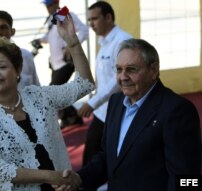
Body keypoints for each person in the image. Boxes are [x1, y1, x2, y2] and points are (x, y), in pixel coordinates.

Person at [0, 13, 94, 191]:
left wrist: (72, 41)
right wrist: (51, 176)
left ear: (17, 70)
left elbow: (84, 85)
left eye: (1, 67)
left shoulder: (38, 97)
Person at [57, 38, 201, 191]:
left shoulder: (177, 111)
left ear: (153, 70)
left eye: (131, 69)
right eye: (119, 69)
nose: (123, 77)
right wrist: (79, 178)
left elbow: (186, 179)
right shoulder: (116, 102)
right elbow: (108, 157)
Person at [78, 1, 132, 166]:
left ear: (108, 17)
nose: (91, 24)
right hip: (103, 110)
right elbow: (103, 79)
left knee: (107, 153)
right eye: (89, 20)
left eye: (94, 19)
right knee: (95, 152)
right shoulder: (104, 42)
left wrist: (93, 102)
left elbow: (118, 79)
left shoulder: (123, 41)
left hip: (119, 109)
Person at [38, 0, 89, 128]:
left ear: (57, 3)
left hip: (65, 62)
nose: (48, 8)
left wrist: (70, 46)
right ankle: (70, 117)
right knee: (58, 91)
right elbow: (52, 37)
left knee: (52, 91)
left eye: (50, 5)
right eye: (46, 5)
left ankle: (69, 115)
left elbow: (84, 31)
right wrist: (39, 40)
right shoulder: (52, 18)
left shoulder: (64, 14)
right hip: (55, 63)